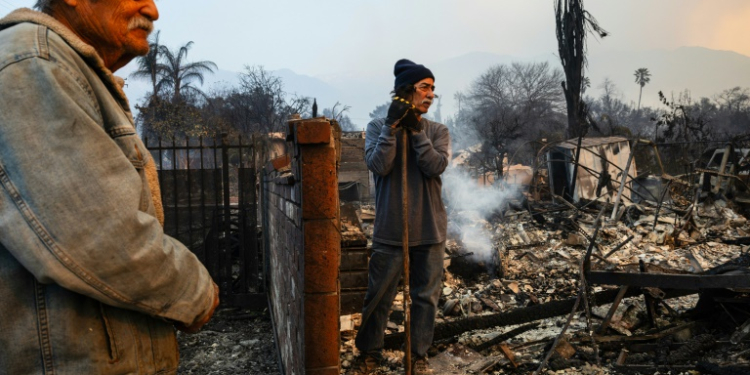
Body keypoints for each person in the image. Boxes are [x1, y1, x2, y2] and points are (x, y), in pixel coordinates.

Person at [0, 1, 219, 374]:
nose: (152, 11)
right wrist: (196, 291)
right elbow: (101, 236)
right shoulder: (34, 62)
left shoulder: (62, 65)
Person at [356, 59, 451, 374]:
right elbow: (379, 166)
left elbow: (435, 166)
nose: (431, 94)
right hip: (391, 227)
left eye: (433, 89)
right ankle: (370, 352)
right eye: (425, 87)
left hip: (430, 227)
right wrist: (391, 128)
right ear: (406, 91)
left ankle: (418, 356)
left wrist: (417, 132)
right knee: (379, 295)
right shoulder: (375, 127)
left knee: (425, 298)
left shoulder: (437, 130)